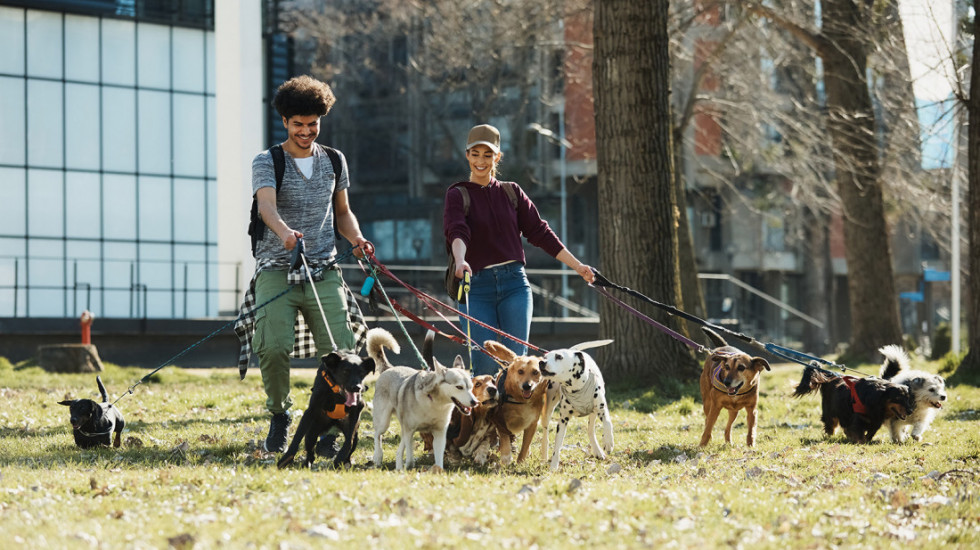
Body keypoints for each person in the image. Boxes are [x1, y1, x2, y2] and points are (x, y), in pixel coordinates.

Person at [250, 75, 373, 453]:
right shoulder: (267, 160)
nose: (306, 131)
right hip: (276, 266)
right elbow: (265, 206)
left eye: (313, 124)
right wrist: (286, 233)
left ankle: (330, 427)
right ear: (285, 122)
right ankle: (280, 415)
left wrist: (357, 239)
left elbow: (343, 213)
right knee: (273, 347)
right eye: (298, 124)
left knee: (342, 349)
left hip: (323, 268)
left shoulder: (334, 160)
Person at [443, 123, 595, 376]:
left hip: (515, 285)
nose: (481, 160)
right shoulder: (457, 194)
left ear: (497, 157)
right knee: (486, 366)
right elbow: (457, 231)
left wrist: (578, 266)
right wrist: (460, 260)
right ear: (467, 155)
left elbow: (540, 232)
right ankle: (484, 416)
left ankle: (517, 417)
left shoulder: (512, 192)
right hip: (476, 288)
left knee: (518, 365)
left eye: (488, 154)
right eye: (476, 154)